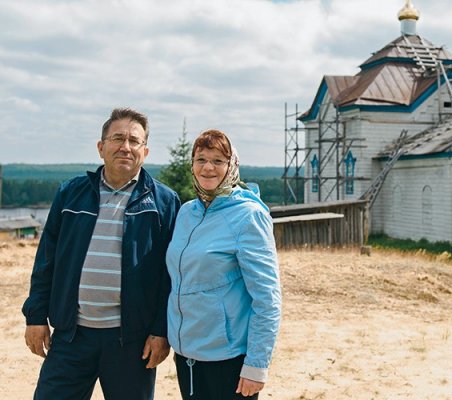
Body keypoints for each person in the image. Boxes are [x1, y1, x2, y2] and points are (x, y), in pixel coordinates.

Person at [22, 107, 181, 400]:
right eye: (118, 138)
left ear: (145, 151)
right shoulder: (70, 193)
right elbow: (46, 261)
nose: (126, 146)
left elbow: (169, 276)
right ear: (101, 147)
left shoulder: (165, 203)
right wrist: (35, 316)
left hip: (131, 341)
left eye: (135, 141)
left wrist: (162, 331)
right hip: (71, 335)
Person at [166, 129, 281, 399]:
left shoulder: (249, 217)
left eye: (218, 160)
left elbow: (267, 298)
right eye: (201, 159)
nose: (208, 167)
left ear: (232, 166)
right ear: (192, 165)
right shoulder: (186, 212)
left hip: (229, 360)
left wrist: (256, 365)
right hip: (187, 356)